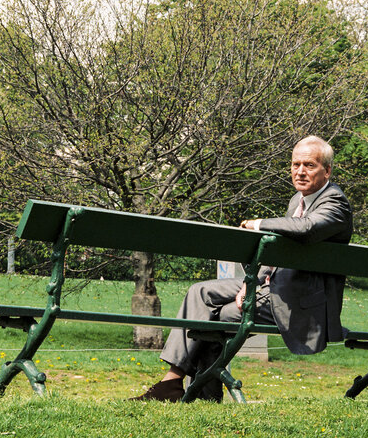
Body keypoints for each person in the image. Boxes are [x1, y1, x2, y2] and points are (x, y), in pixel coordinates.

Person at [131, 135, 353, 402]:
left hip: (299, 302)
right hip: (274, 288)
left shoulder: (335, 202)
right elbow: (278, 255)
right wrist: (251, 283)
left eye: (309, 165)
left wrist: (259, 224)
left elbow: (306, 230)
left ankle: (189, 392)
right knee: (199, 294)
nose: (300, 172)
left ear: (327, 170)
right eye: (295, 165)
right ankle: (176, 381)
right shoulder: (297, 201)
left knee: (213, 318)